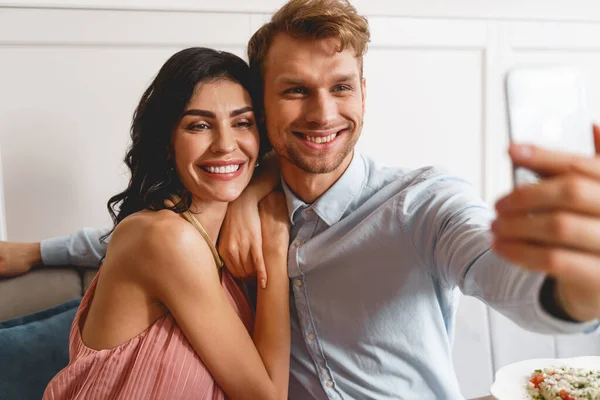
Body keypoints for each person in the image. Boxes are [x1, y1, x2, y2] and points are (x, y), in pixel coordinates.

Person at [2, 1, 600, 398]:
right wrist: (35, 249)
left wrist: (578, 287)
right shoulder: (222, 208)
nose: (323, 113)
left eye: (341, 87)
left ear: (364, 91)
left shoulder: (425, 202)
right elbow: (147, 236)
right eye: (295, 91)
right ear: (265, 107)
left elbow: (499, 272)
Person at [41, 47, 292, 400]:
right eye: (199, 125)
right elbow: (268, 397)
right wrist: (276, 245)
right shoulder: (168, 238)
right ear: (166, 145)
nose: (225, 144)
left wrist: (250, 197)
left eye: (242, 122)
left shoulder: (202, 239)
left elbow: (285, 154)